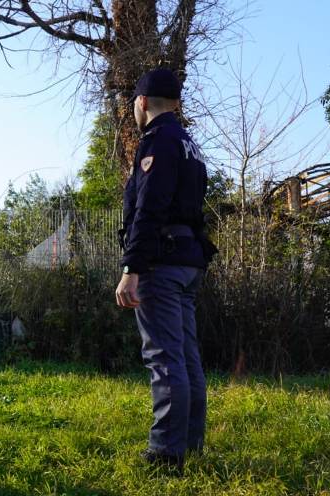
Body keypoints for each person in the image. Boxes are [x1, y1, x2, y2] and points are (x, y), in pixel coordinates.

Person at [115, 68, 217, 472]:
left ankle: (166, 453)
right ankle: (189, 443)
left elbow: (150, 208)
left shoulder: (158, 142)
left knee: (164, 357)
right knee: (186, 356)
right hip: (188, 259)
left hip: (162, 260)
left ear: (142, 103)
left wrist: (132, 267)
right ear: (175, 103)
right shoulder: (190, 145)